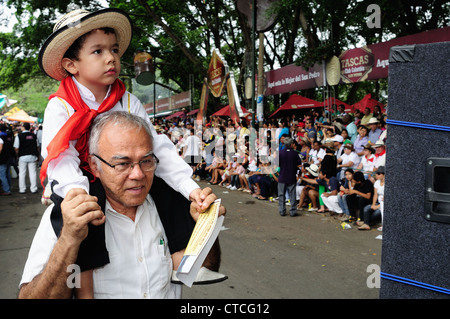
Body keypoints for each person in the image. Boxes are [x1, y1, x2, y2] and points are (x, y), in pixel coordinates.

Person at [37, 8, 223, 291]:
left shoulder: (128, 101)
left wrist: (188, 187)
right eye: (97, 51)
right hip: (81, 179)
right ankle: (85, 292)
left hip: (119, 171)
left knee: (168, 193)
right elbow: (60, 155)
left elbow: (155, 146)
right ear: (72, 65)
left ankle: (182, 264)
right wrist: (78, 193)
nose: (111, 57)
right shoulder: (60, 105)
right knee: (79, 222)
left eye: (114, 50)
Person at [18, 112, 226, 299]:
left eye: (146, 161)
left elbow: (203, 268)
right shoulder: (68, 216)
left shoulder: (168, 204)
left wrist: (205, 228)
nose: (138, 175)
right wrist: (69, 240)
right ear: (94, 166)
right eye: (122, 164)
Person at [277, 137, 301, 216]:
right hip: (291, 176)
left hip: (282, 176)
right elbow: (299, 164)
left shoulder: (280, 153)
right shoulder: (295, 153)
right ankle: (293, 211)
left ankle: (282, 211)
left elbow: (277, 164)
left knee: (281, 194)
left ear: (284, 143)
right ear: (291, 144)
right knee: (292, 194)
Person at [14, 122, 39, 194]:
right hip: (32, 156)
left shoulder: (19, 136)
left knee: (22, 173)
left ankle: (22, 189)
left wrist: (17, 155)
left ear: (24, 127)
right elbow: (37, 147)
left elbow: (16, 148)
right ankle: (33, 189)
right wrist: (37, 156)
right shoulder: (34, 136)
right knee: (33, 173)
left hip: (22, 157)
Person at [358, 166, 385, 230]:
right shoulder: (377, 182)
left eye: (379, 174)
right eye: (376, 173)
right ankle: (366, 224)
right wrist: (373, 204)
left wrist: (378, 206)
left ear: (384, 175)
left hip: (383, 204)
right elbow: (375, 195)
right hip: (378, 202)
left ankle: (367, 222)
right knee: (366, 208)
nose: (376, 175)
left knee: (375, 214)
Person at [0, 124, 14, 195]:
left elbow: (0, 149)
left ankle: (7, 190)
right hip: (9, 157)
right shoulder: (8, 136)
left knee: (2, 175)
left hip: (2, 159)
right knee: (7, 173)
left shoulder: (1, 137)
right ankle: (8, 187)